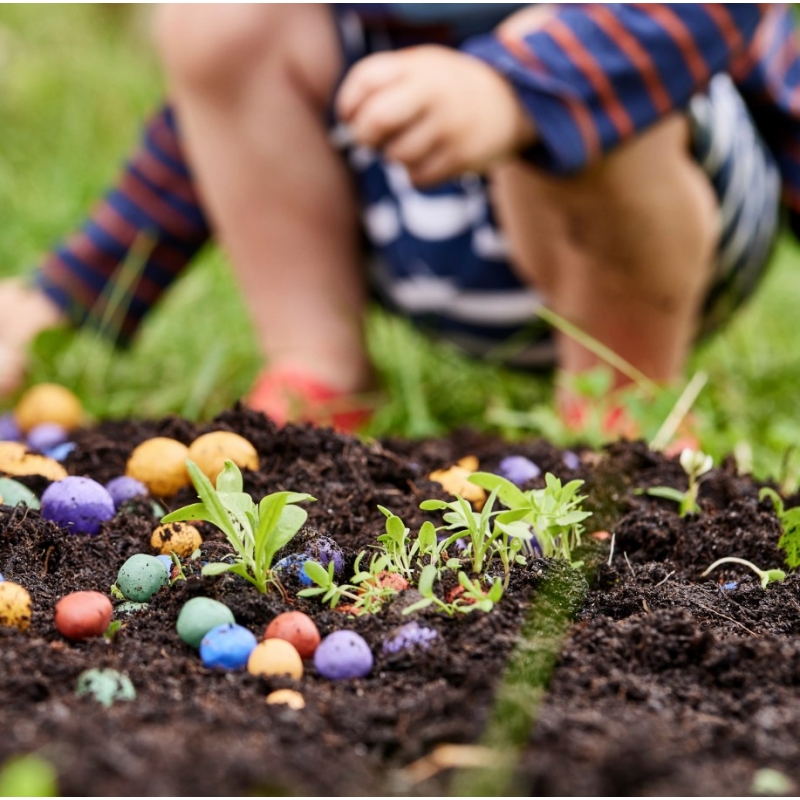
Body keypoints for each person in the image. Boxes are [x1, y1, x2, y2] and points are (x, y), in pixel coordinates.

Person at [2, 4, 798, 434]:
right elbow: (210, 133)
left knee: (565, 49)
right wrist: (59, 297)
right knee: (219, 19)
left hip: (660, 217)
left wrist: (516, 89)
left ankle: (624, 400)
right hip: (410, 219)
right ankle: (319, 369)